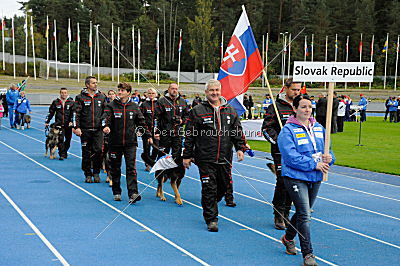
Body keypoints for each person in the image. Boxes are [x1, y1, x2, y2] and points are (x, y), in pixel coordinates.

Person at [183, 79, 247, 232]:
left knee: (224, 187)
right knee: (209, 188)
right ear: (206, 93)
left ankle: (210, 202)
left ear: (221, 91)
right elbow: (190, 134)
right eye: (211, 90)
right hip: (205, 158)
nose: (214, 93)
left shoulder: (230, 110)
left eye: (217, 90)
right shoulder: (197, 111)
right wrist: (187, 155)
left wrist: (240, 148)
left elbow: (237, 131)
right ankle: (211, 219)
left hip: (224, 157)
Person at [278, 94, 335, 266]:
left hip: (315, 176)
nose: (307, 110)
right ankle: (308, 254)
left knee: (304, 211)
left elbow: (329, 151)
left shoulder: (319, 128)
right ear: (295, 109)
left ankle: (288, 238)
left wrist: (329, 158)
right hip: (295, 176)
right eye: (303, 107)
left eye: (309, 107)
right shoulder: (287, 131)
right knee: (305, 214)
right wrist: (314, 164)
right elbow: (290, 157)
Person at [261, 78, 300, 230]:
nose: (296, 93)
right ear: (286, 89)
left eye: (298, 90)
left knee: (293, 182)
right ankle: (278, 214)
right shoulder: (275, 107)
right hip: (280, 152)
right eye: (294, 89)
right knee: (282, 182)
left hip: (298, 153)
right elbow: (266, 129)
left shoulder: (301, 106)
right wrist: (280, 142)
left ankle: (286, 213)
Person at [103, 82, 152, 203]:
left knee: (131, 168)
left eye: (122, 90)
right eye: (119, 90)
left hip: (130, 143)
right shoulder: (111, 105)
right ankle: (117, 191)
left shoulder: (134, 106)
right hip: (115, 142)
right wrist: (106, 126)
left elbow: (142, 122)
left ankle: (133, 193)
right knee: (115, 168)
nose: (119, 92)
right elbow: (106, 118)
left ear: (128, 92)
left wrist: (148, 135)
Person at [154, 83, 189, 192]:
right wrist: (157, 131)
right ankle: (159, 184)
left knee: (177, 158)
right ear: (168, 89)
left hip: (177, 134)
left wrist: (182, 121)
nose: (174, 90)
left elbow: (187, 116)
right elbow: (156, 118)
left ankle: (175, 183)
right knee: (162, 158)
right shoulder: (162, 101)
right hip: (165, 134)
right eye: (172, 88)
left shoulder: (183, 102)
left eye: (176, 89)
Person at [73, 76, 107, 183]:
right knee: (86, 153)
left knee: (98, 151)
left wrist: (105, 124)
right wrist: (76, 127)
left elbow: (105, 112)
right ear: (87, 85)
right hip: (85, 130)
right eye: (93, 83)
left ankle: (96, 172)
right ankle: (87, 174)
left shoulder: (101, 97)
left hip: (98, 130)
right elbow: (76, 114)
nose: (95, 84)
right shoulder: (80, 97)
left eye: (96, 82)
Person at [44, 88, 75, 160]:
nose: (64, 94)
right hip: (59, 125)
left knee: (68, 140)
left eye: (65, 93)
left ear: (67, 93)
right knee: (60, 140)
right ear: (60, 93)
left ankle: (65, 151)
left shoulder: (71, 102)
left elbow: (74, 113)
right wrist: (47, 121)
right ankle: (62, 154)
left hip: (68, 125)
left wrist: (72, 122)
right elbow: (51, 112)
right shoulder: (55, 102)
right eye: (62, 93)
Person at [139, 88, 159, 171]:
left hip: (157, 130)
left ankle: (152, 161)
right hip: (146, 131)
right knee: (146, 148)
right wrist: (140, 129)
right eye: (149, 93)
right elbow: (140, 118)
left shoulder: (159, 104)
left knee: (156, 148)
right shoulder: (143, 104)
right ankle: (147, 163)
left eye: (153, 93)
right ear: (147, 94)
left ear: (156, 94)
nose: (151, 95)